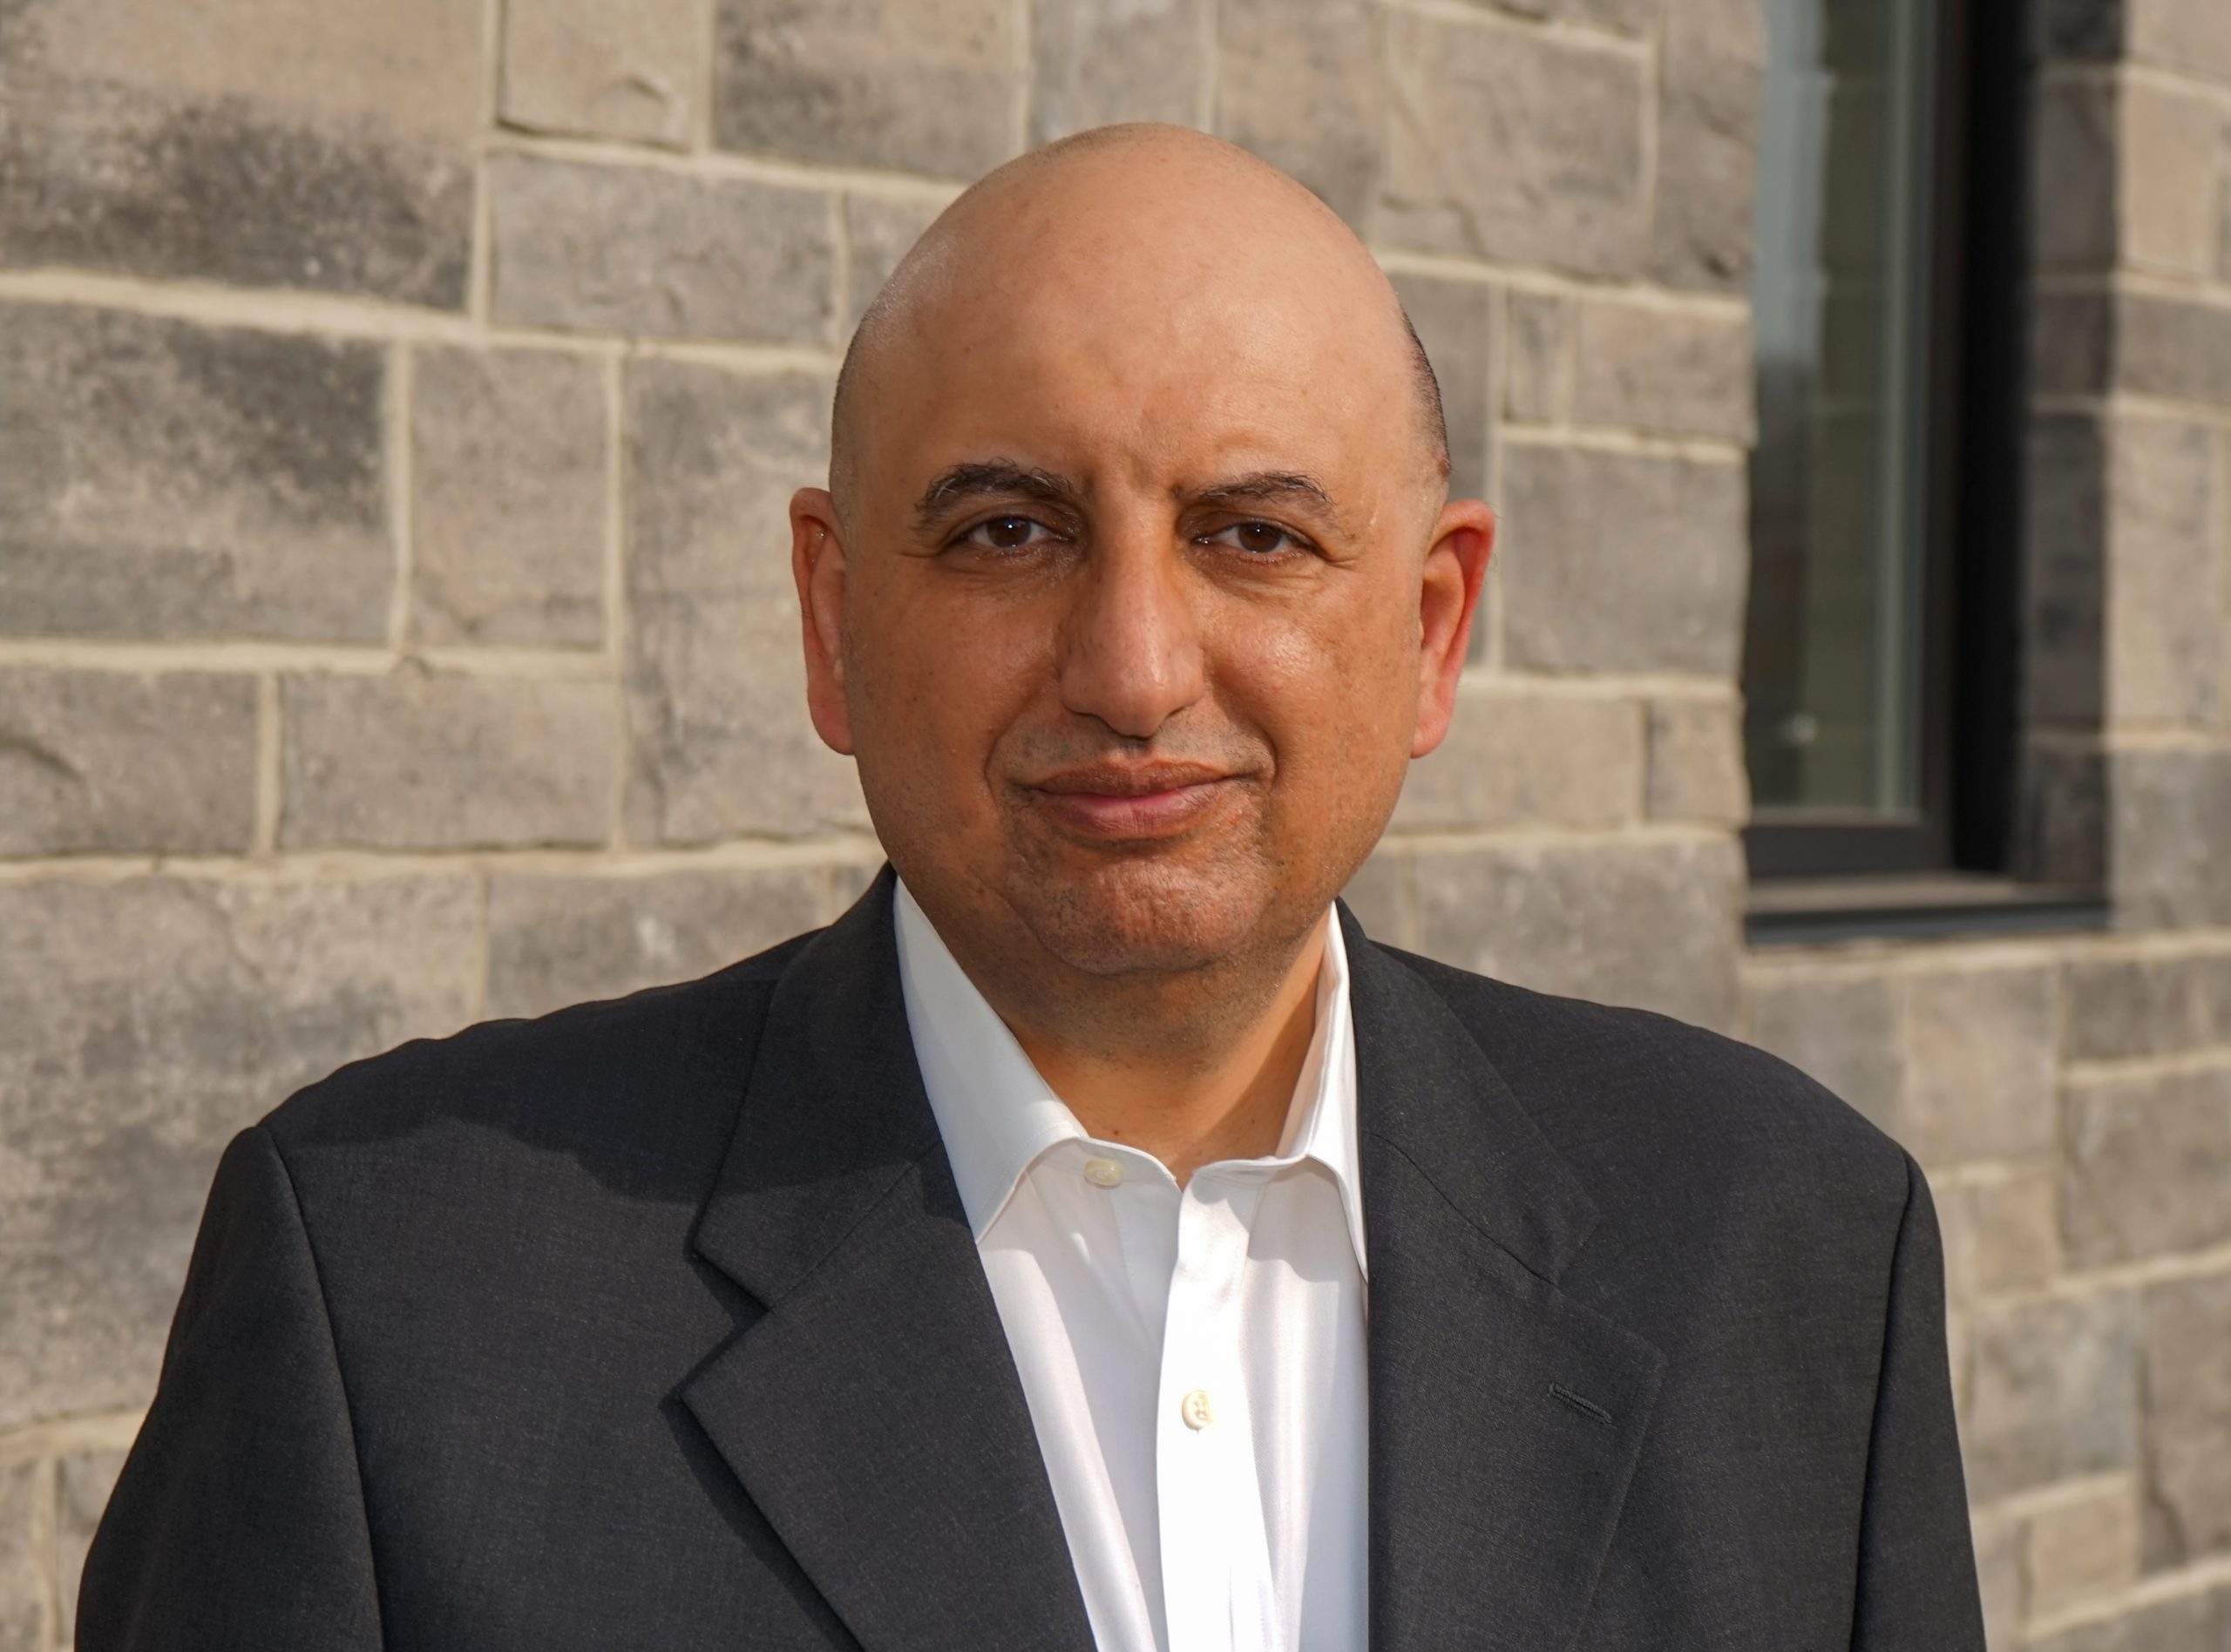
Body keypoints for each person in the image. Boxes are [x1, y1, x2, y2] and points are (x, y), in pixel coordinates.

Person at [78, 125, 1985, 1651]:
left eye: (1250, 534)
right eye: (1009, 531)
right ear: (835, 621)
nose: (1133, 667)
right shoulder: (396, 1302)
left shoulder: (1786, 1253)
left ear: (1426, 629)